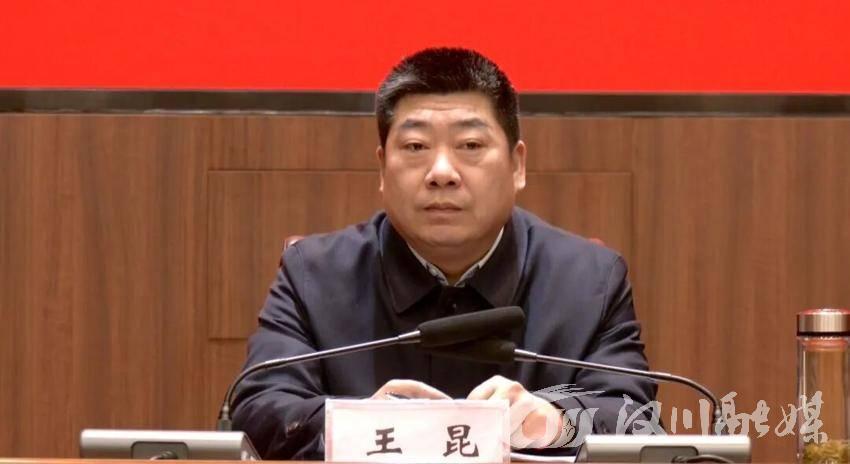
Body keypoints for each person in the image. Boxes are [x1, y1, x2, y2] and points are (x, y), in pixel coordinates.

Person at [232, 47, 656, 459]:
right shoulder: (314, 275)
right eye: (416, 147)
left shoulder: (590, 281)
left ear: (517, 166)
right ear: (382, 168)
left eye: (470, 145)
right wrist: (360, 424)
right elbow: (258, 410)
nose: (441, 173)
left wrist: (555, 422)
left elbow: (633, 418)